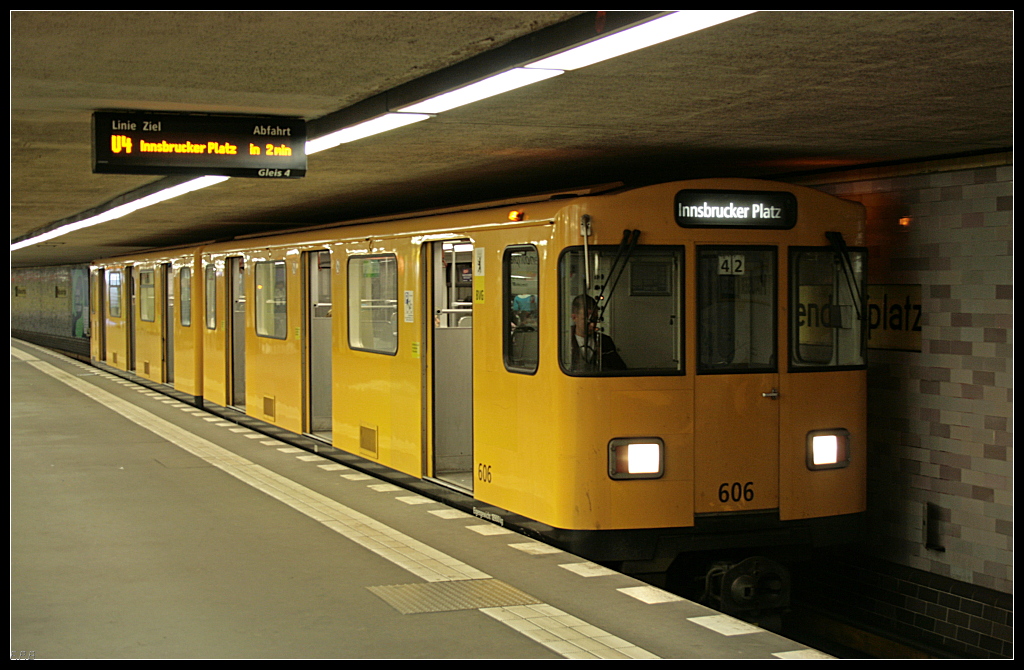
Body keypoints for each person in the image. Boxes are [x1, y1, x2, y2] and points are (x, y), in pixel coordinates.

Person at [570, 294, 626, 372]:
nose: (593, 325)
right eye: (587, 320)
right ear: (574, 317)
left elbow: (620, 370)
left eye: (595, 319)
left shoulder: (605, 341)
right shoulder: (563, 343)